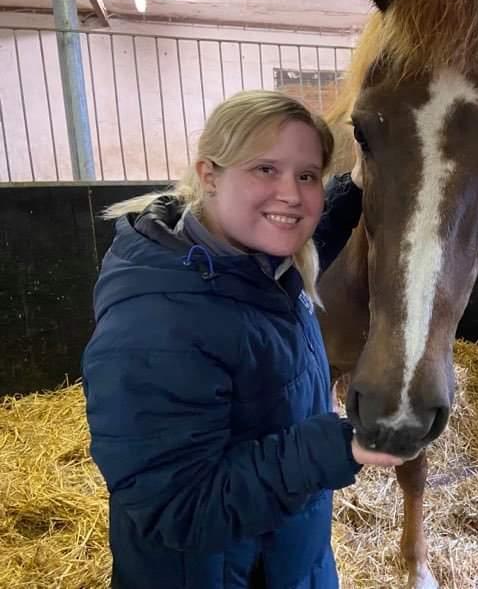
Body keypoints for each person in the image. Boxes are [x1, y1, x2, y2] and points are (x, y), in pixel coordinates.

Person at [81, 90, 402, 589]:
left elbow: (312, 234)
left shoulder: (249, 265)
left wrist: (358, 183)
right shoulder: (155, 326)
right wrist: (340, 447)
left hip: (284, 560)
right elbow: (181, 509)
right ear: (209, 175)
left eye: (307, 175)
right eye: (265, 170)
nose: (292, 195)